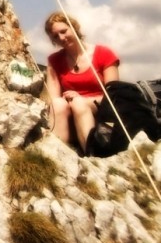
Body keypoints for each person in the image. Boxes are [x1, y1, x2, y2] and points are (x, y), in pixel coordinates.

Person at [44, 12, 120, 150]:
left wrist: (80, 99)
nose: (61, 37)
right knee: (57, 104)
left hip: (100, 105)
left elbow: (114, 95)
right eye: (55, 36)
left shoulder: (104, 53)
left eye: (63, 31)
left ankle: (91, 152)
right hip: (70, 106)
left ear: (74, 28)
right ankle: (57, 154)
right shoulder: (54, 61)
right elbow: (53, 97)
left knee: (78, 103)